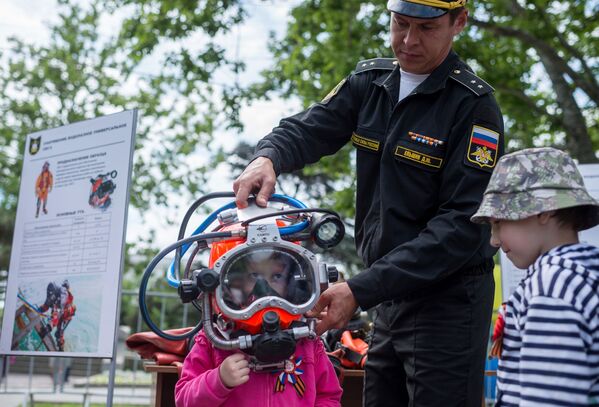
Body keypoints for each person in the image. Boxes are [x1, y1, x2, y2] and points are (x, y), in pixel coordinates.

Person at [233, 0, 504, 405]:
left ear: (458, 22)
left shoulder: (474, 107)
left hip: (449, 304)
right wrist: (267, 157)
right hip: (386, 297)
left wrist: (359, 290)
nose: (409, 41)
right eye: (400, 24)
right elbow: (307, 129)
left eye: (426, 29)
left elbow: (461, 229)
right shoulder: (370, 83)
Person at [471, 147, 599, 406]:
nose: (494, 240)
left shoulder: (551, 285)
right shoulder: (583, 272)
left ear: (544, 211)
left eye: (499, 223)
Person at [175, 249, 343, 407]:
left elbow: (328, 396)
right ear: (231, 281)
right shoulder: (214, 340)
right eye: (254, 275)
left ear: (291, 282)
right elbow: (184, 399)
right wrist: (218, 380)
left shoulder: (307, 340)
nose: (265, 288)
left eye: (276, 276)